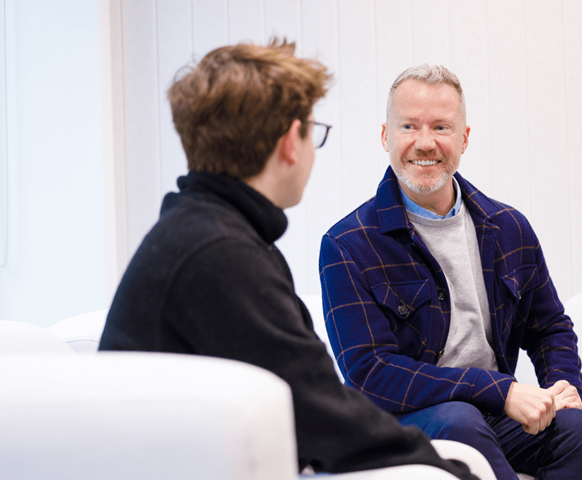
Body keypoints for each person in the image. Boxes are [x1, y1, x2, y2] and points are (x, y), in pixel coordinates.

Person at [99, 41, 480, 479]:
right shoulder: (220, 255)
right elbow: (321, 414)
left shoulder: (202, 233)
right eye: (313, 131)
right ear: (289, 143)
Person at [318, 64, 582, 479]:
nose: (425, 143)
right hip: (405, 421)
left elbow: (550, 328)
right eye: (408, 126)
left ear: (463, 138)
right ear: (386, 136)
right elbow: (371, 372)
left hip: (494, 413)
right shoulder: (347, 245)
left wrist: (563, 386)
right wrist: (499, 389)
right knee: (459, 422)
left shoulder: (509, 227)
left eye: (441, 126)